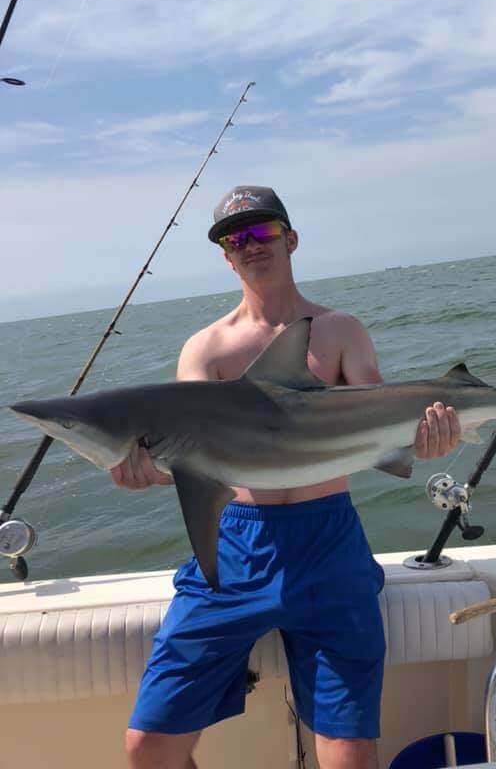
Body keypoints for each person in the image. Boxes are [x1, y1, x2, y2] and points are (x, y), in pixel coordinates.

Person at [113, 185, 461, 769]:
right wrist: (146, 473)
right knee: (147, 747)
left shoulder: (340, 330)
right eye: (235, 238)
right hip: (234, 546)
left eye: (262, 232)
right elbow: (194, 459)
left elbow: (382, 418)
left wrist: (429, 438)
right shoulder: (206, 349)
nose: (250, 245)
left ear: (291, 238)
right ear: (226, 256)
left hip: (329, 544)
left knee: (349, 752)